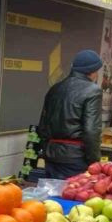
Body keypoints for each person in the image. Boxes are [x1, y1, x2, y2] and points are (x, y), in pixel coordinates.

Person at [38, 49, 103, 179]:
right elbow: (91, 131)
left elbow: (42, 126)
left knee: (51, 196)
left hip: (52, 154)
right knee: (72, 196)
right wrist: (94, 161)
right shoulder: (92, 91)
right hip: (75, 157)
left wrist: (47, 149)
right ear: (92, 71)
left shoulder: (55, 88)